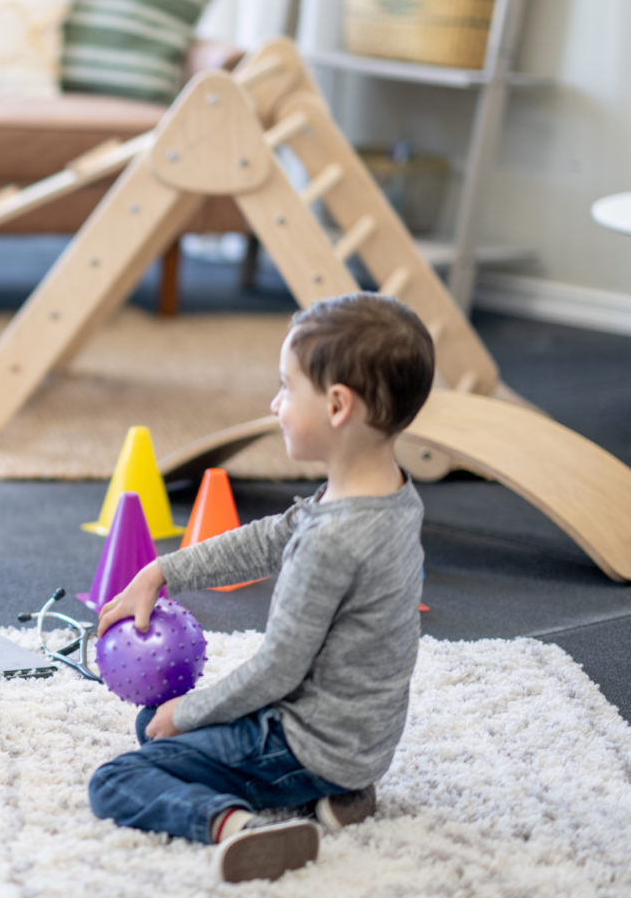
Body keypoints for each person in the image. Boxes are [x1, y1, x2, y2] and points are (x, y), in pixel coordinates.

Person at [88, 293, 435, 883]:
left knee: (126, 767)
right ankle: (342, 795)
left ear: (336, 405)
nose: (275, 404)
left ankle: (242, 826)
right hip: (363, 739)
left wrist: (189, 712)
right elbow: (269, 538)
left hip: (306, 743)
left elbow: (278, 672)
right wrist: (161, 571)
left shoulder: (334, 542)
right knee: (159, 725)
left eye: (285, 387)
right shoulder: (392, 494)